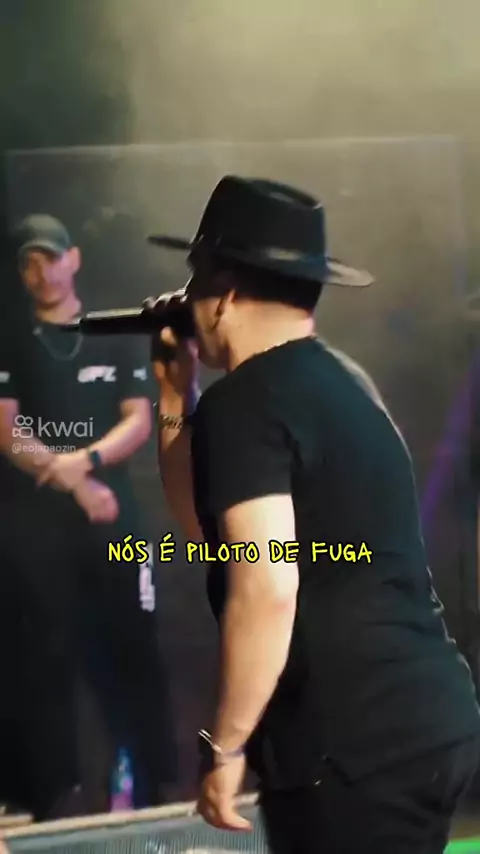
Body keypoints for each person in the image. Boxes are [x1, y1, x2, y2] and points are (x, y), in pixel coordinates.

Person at [149, 176, 480, 854]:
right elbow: (209, 532)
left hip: (351, 743)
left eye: (193, 284)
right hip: (423, 721)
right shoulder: (341, 382)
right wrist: (176, 397)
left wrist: (226, 746)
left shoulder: (246, 402)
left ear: (224, 295)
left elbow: (266, 585)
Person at [0, 214, 176, 820]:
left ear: (73, 260)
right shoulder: (11, 338)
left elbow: (138, 420)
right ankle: (49, 794)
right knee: (42, 656)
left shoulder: (113, 332)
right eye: (29, 263)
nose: (42, 272)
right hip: (41, 530)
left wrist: (87, 461)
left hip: (115, 522)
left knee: (133, 650)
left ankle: (150, 785)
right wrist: (76, 482)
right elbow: (7, 430)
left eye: (51, 258)